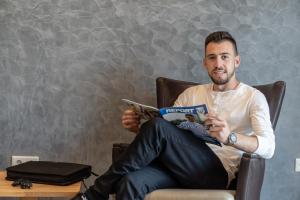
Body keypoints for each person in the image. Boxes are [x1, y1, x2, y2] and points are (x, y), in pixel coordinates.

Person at [72, 31, 275, 200]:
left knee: (157, 127)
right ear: (205, 63)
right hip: (177, 167)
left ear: (236, 61)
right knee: (130, 183)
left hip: (216, 173)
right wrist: (138, 129)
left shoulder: (253, 97)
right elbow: (166, 136)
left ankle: (95, 193)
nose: (218, 63)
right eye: (212, 57)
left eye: (225, 56)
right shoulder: (191, 94)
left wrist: (230, 137)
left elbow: (269, 147)